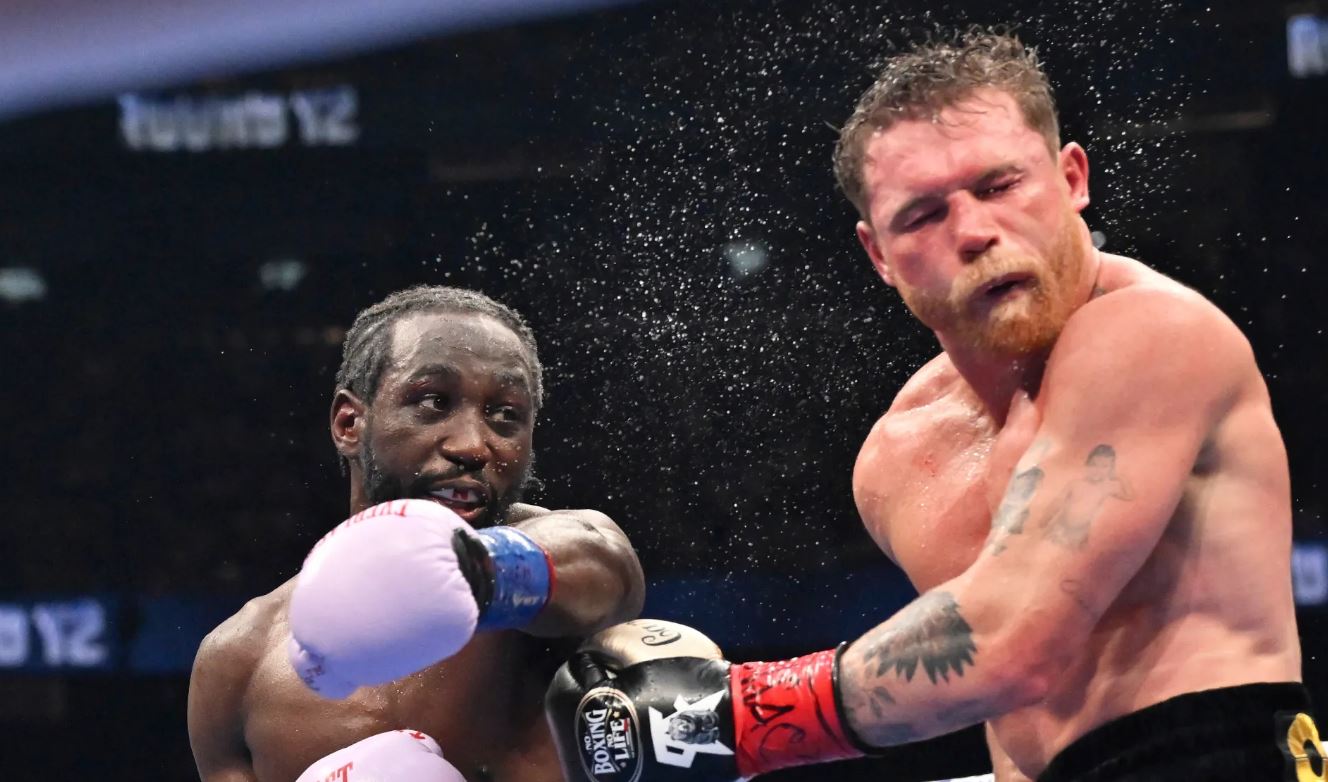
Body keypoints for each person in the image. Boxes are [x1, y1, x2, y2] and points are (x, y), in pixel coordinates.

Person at [544, 30, 1321, 782]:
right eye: (923, 215)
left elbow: (1010, 641)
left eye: (1000, 186)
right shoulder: (902, 456)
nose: (975, 231)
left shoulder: (1152, 334)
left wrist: (729, 718)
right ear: (879, 254)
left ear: (1073, 179)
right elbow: (1001, 706)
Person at [187, 285, 646, 782]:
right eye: (433, 402)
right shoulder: (239, 661)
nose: (473, 445)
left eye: (506, 415)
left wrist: (474, 572)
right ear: (349, 423)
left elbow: (606, 567)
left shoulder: (553, 565)